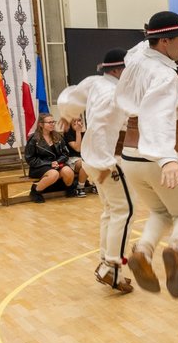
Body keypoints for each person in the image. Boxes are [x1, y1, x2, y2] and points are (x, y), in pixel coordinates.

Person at [115, 11, 178, 299]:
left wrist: (149, 35)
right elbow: (157, 115)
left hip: (130, 156)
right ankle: (176, 248)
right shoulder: (164, 74)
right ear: (164, 42)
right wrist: (167, 158)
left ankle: (142, 251)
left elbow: (138, 47)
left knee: (160, 211)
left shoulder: (138, 59)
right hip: (156, 153)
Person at [56, 48, 134, 294]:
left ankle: (106, 264)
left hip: (95, 158)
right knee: (125, 210)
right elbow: (100, 127)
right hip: (107, 159)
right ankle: (113, 268)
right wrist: (105, 163)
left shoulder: (95, 83)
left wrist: (66, 116)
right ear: (117, 70)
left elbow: (70, 98)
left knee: (111, 211)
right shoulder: (114, 94)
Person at [25, 113, 76, 203]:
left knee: (68, 171)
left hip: (57, 163)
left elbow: (65, 153)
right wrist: (49, 163)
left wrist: (57, 161)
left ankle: (67, 188)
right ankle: (35, 191)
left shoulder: (58, 136)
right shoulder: (34, 139)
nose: (52, 124)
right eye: (49, 122)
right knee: (54, 174)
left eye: (53, 122)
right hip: (40, 166)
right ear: (41, 124)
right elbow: (30, 159)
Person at [62, 117, 91, 197]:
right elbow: (77, 149)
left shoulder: (85, 132)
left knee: (92, 162)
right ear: (70, 123)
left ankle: (93, 183)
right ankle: (80, 187)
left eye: (79, 120)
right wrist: (78, 132)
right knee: (85, 163)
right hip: (72, 159)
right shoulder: (68, 133)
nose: (77, 123)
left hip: (84, 158)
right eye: (74, 121)